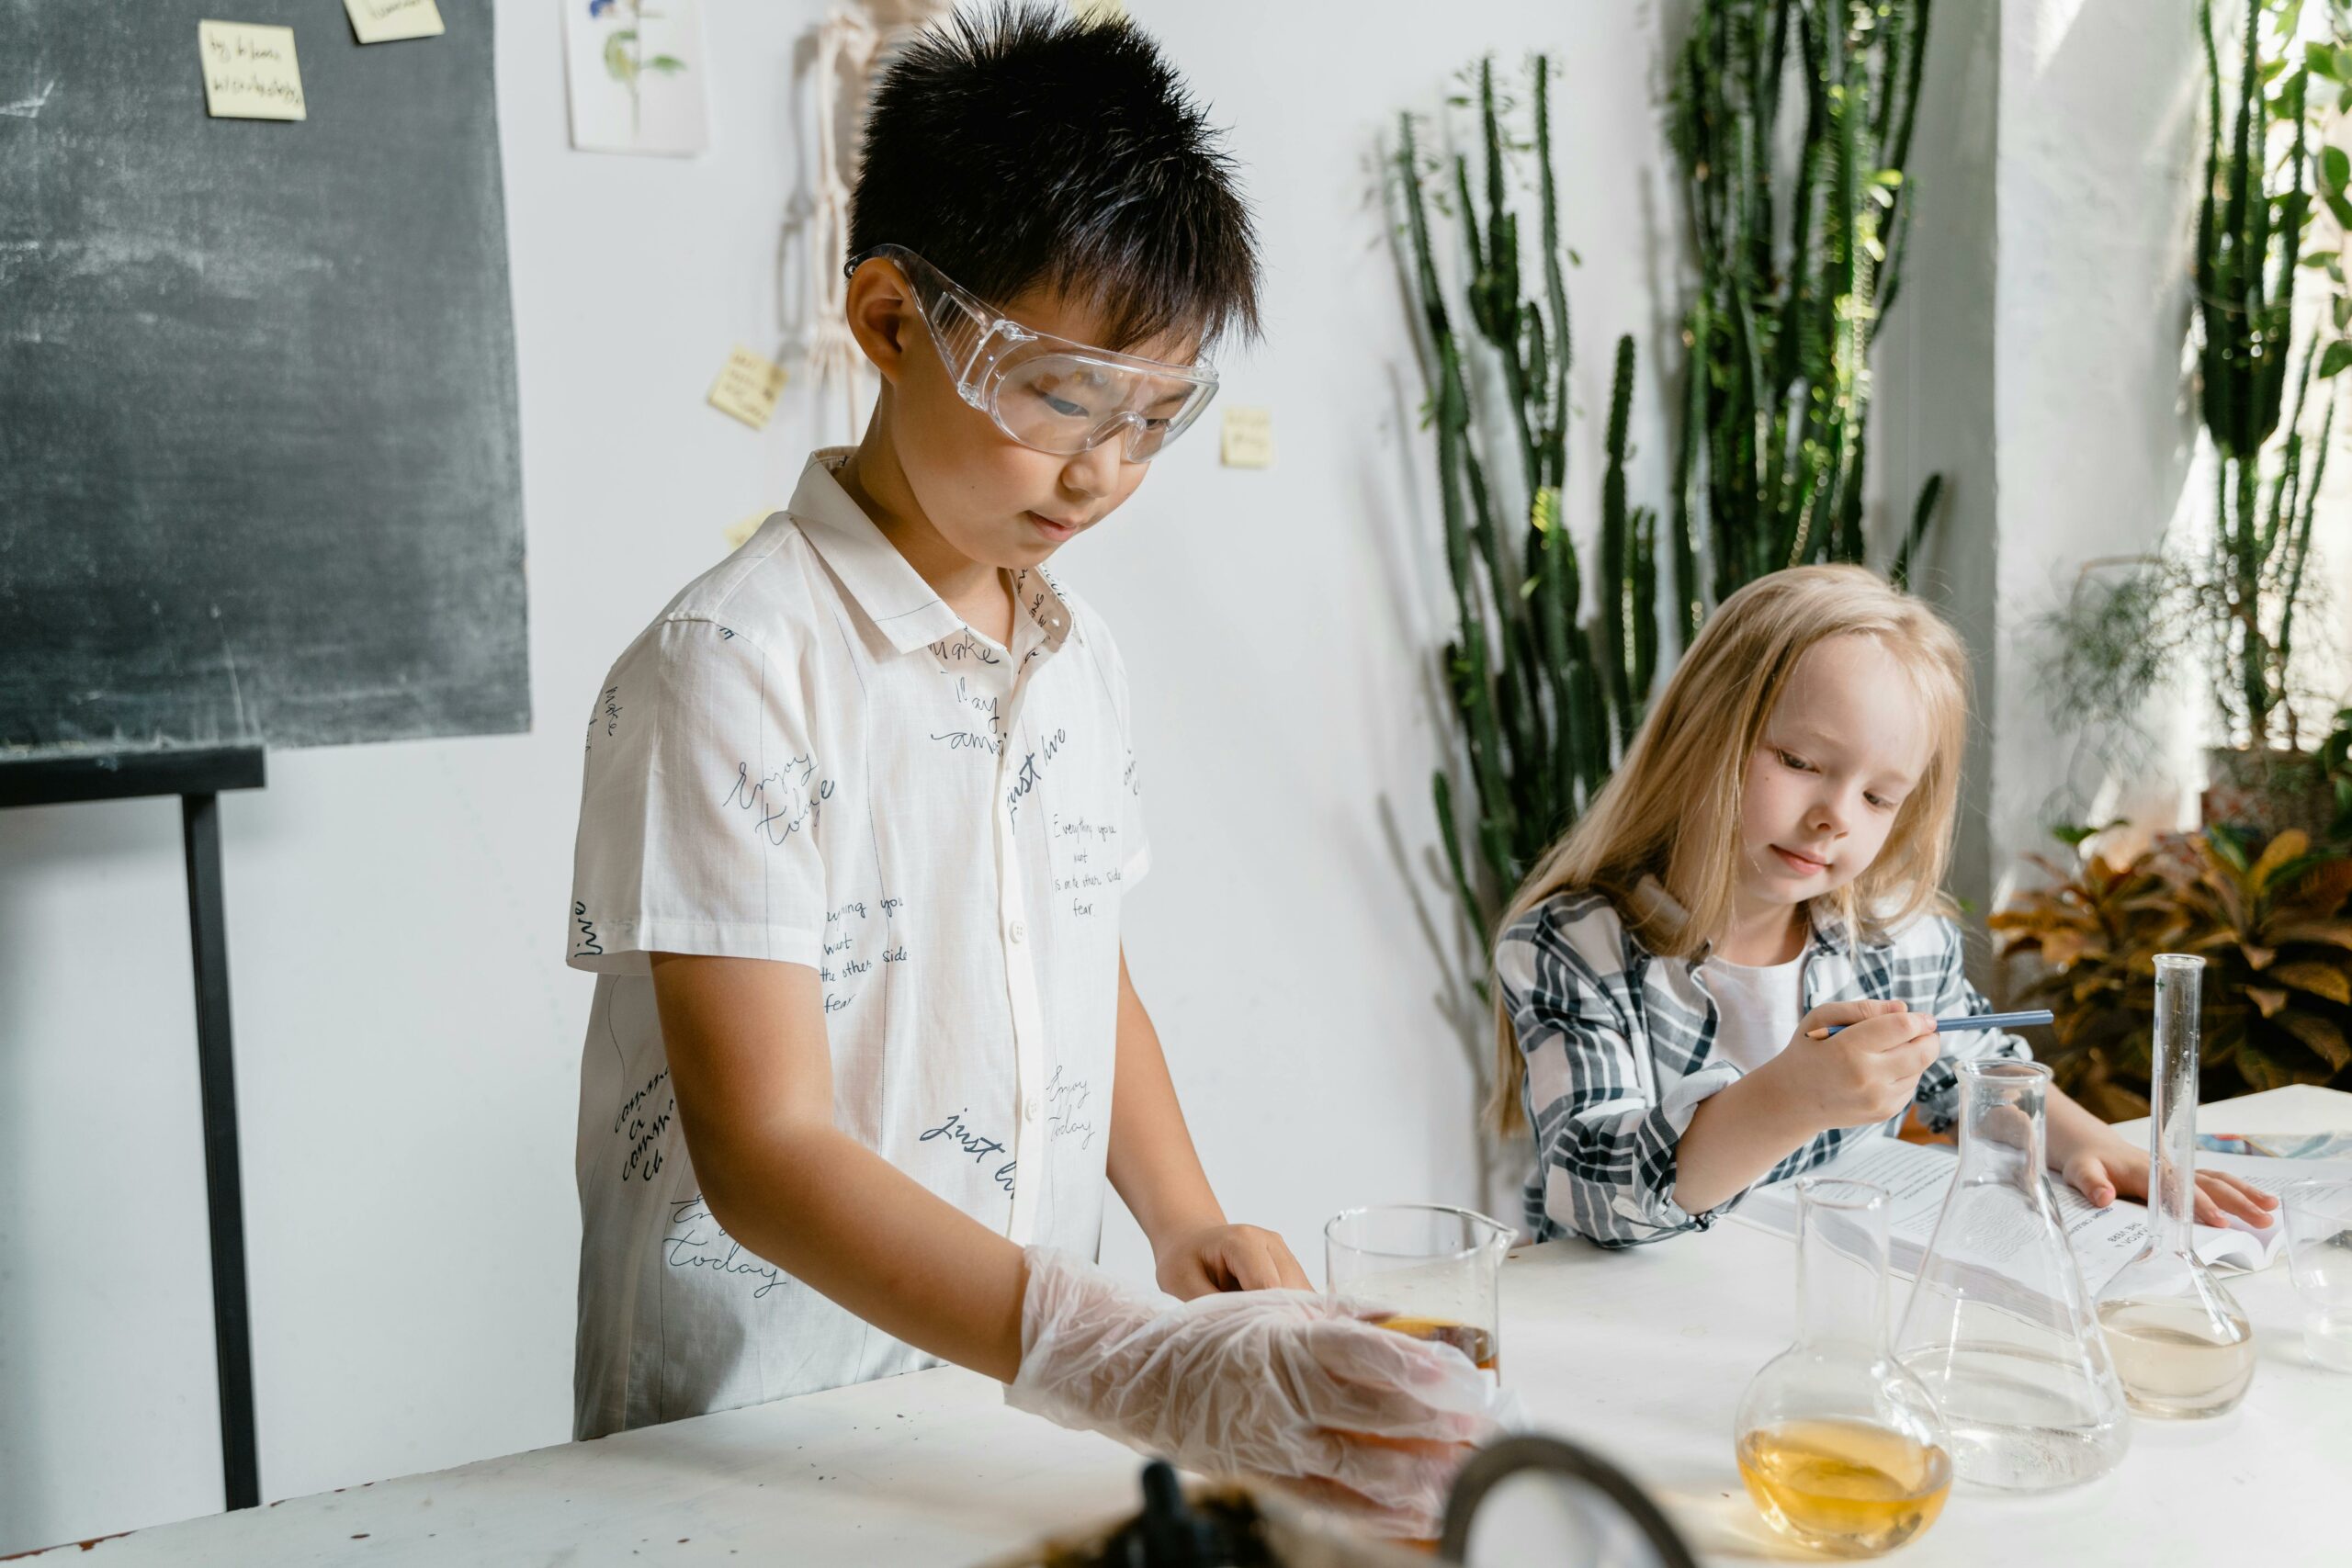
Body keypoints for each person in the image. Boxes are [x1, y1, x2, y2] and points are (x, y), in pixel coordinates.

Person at [563, 4, 1503, 1536]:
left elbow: (1077, 947)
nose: (1102, 472)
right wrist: (1117, 1349)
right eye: (1062, 395)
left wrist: (1180, 1216)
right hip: (759, 1429)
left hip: (1008, 1398)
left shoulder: (1076, 654)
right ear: (888, 322)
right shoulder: (732, 667)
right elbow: (762, 1147)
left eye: (1153, 418)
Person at [1491, 564, 2278, 1247]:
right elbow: (1590, 1189)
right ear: (1705, 732)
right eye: (1800, 761)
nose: (1836, 814)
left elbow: (1970, 1071)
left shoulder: (1896, 934)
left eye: (1878, 795)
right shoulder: (1572, 945)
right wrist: (1788, 1097)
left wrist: (2087, 1142)